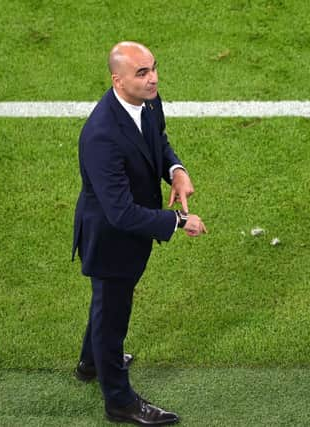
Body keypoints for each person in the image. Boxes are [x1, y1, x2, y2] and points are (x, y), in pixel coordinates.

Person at [71, 41, 207, 425]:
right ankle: (119, 401)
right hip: (112, 239)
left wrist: (176, 170)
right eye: (142, 73)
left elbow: (157, 141)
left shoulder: (148, 100)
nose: (153, 79)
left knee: (108, 304)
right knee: (113, 317)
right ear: (118, 80)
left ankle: (90, 363)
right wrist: (179, 222)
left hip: (129, 233)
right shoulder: (101, 135)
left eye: (153, 68)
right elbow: (120, 213)